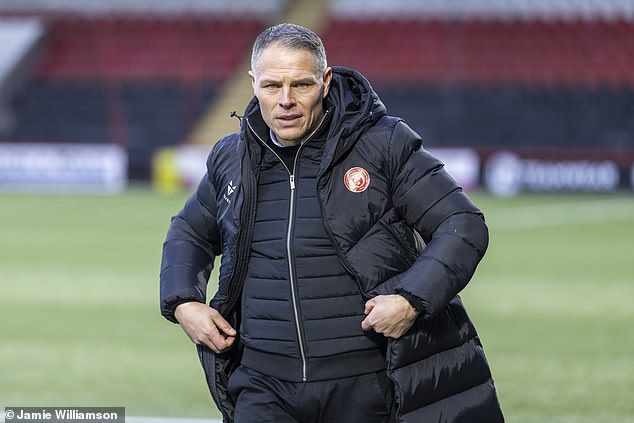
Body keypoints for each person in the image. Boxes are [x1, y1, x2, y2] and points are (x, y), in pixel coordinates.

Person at [160, 23, 504, 423]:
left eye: (301, 85)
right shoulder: (231, 157)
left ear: (324, 82)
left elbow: (462, 223)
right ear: (253, 84)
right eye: (271, 86)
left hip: (363, 383)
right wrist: (184, 302)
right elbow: (190, 231)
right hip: (261, 385)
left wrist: (411, 299)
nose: (285, 101)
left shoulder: (383, 143)